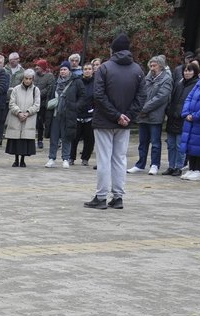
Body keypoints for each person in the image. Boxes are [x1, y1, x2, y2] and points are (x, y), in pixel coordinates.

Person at [86, 34, 144, 210]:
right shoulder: (138, 70)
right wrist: (127, 116)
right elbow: (141, 97)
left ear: (113, 49)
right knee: (120, 158)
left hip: (105, 120)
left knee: (104, 159)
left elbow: (99, 96)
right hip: (124, 123)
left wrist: (116, 115)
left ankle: (101, 196)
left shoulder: (104, 68)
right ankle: (118, 196)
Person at [130, 55, 171, 175]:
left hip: (155, 116)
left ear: (161, 66)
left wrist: (144, 108)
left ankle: (154, 164)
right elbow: (141, 92)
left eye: (155, 65)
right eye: (151, 65)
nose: (152, 68)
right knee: (142, 142)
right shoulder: (147, 77)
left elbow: (161, 98)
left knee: (155, 143)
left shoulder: (166, 79)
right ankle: (140, 164)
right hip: (143, 115)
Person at [165, 59, 198, 174]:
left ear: (195, 72)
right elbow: (172, 99)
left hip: (183, 119)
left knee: (180, 145)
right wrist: (169, 110)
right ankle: (171, 165)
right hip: (172, 117)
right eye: (185, 70)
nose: (187, 73)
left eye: (189, 71)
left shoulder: (196, 85)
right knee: (170, 144)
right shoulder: (179, 83)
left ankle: (179, 167)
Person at [47, 62, 81, 167]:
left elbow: (82, 96)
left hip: (68, 114)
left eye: (65, 69)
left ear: (69, 70)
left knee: (66, 137)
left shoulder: (75, 82)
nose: (63, 71)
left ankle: (66, 158)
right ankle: (51, 158)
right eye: (61, 69)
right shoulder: (55, 83)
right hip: (55, 114)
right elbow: (50, 96)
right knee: (54, 137)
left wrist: (76, 106)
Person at [5, 68, 40, 167]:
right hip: (16, 117)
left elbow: (37, 104)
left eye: (30, 79)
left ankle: (23, 160)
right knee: (16, 140)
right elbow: (12, 103)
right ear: (23, 78)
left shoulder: (35, 90)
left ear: (32, 79)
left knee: (25, 140)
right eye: (26, 78)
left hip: (29, 118)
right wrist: (19, 112)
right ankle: (16, 159)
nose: (28, 81)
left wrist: (28, 113)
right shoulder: (16, 89)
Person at [70, 62, 96, 167]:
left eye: (89, 69)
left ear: (93, 71)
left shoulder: (97, 82)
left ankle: (85, 158)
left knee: (89, 139)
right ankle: (71, 157)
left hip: (90, 114)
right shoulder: (77, 81)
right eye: (85, 69)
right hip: (77, 113)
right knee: (74, 138)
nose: (87, 71)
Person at [32, 59, 56, 148]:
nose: (36, 67)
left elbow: (49, 88)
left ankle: (48, 139)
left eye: (38, 66)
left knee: (47, 122)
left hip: (45, 103)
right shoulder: (34, 76)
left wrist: (38, 93)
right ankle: (39, 139)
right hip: (35, 103)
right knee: (38, 122)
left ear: (43, 67)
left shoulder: (50, 76)